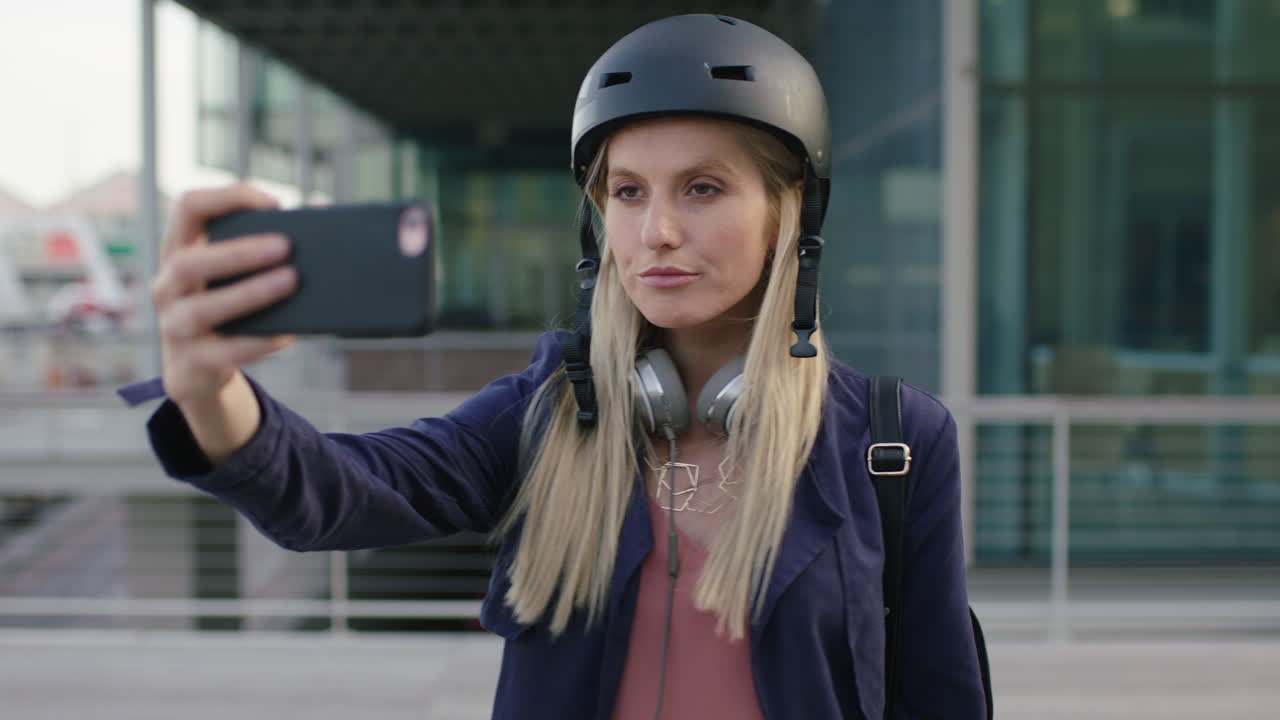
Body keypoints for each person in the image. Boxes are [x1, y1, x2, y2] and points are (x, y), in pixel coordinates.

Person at [125, 14, 987, 720]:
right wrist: (209, 389)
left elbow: (942, 690)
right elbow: (339, 493)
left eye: (703, 188)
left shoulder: (896, 443)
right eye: (627, 191)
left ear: (787, 209)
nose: (657, 233)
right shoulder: (543, 414)